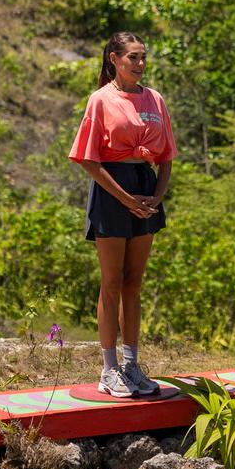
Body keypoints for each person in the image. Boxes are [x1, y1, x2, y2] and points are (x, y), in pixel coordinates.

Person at [69, 32, 177, 398]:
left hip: (145, 190)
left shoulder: (155, 99)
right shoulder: (100, 99)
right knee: (112, 281)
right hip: (112, 190)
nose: (140, 63)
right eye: (133, 57)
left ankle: (132, 365)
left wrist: (155, 197)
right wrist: (125, 198)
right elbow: (87, 159)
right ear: (114, 59)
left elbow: (166, 157)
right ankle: (109, 368)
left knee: (134, 282)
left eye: (143, 56)